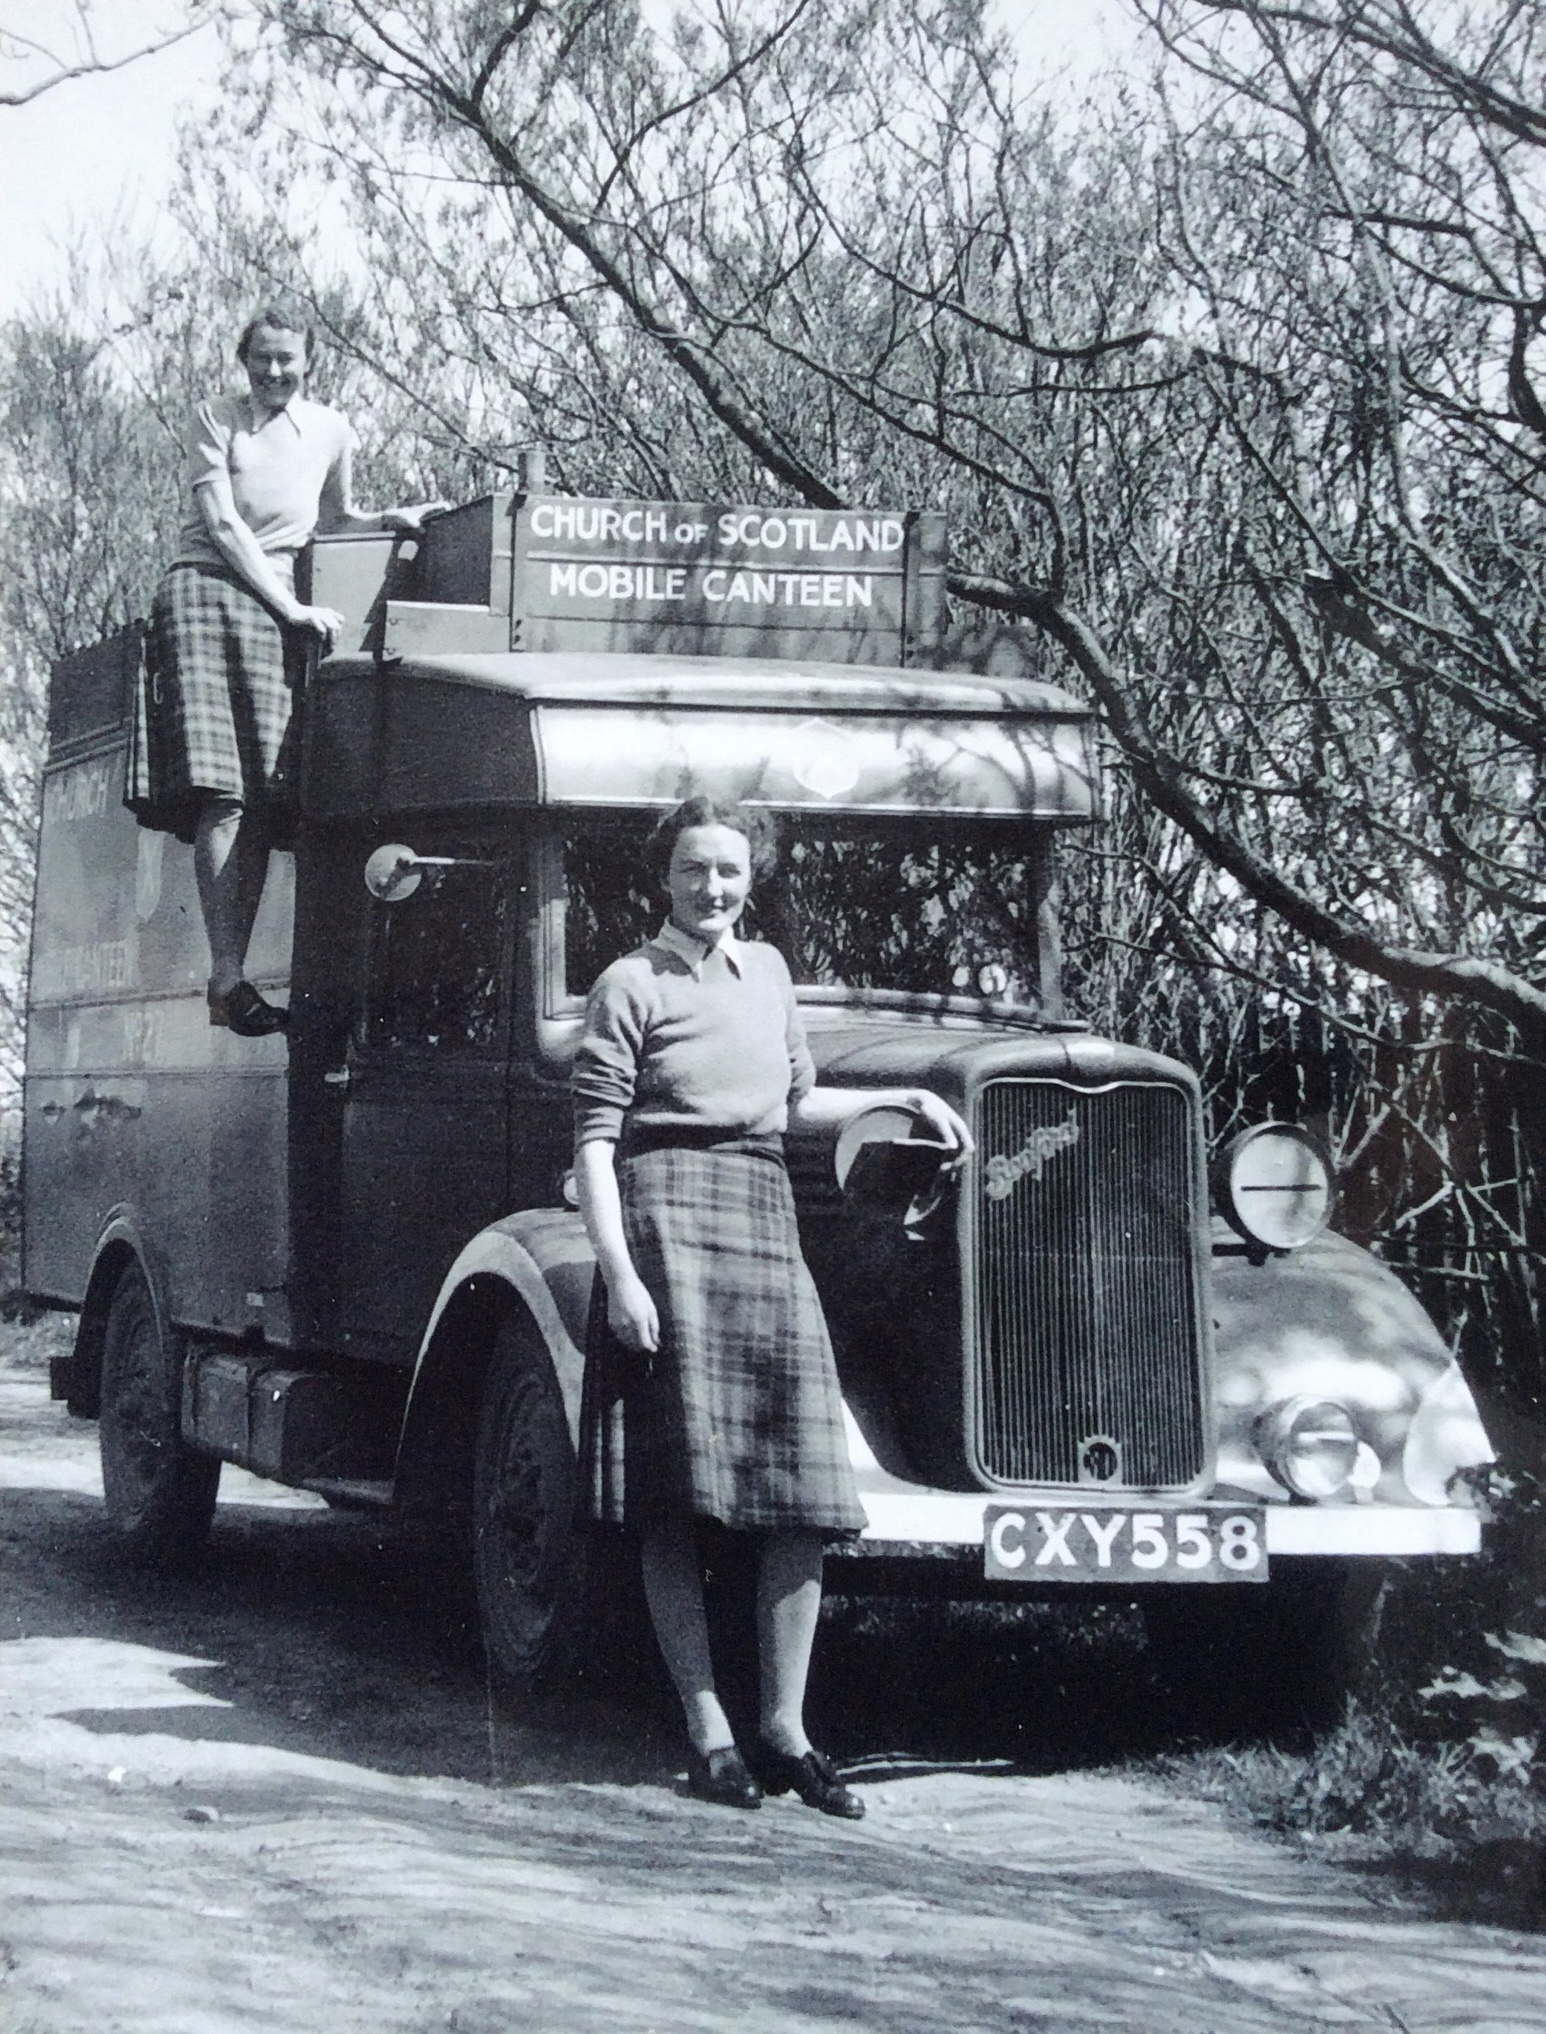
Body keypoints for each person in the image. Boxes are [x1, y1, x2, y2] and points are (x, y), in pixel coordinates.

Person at [572, 796, 973, 1816]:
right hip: (664, 1218)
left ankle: (786, 1731)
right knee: (676, 1499)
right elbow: (594, 1145)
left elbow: (795, 1104)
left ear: (752, 880)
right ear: (661, 876)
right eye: (695, 869)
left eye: (731, 872)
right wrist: (620, 1277)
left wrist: (910, 1108)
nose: (714, 888)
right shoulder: (628, 983)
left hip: (762, 1211)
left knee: (801, 1494)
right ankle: (707, 1730)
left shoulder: (772, 975)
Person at [128, 302, 445, 1036]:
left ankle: (228, 982)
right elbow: (224, 525)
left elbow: (332, 519)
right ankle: (229, 976)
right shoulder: (215, 418)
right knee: (223, 793)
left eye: (287, 360)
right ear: (245, 363)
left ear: (309, 364)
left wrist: (386, 521)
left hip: (278, 603)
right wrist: (292, 609)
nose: (275, 371)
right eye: (262, 358)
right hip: (209, 591)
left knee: (267, 799)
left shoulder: (332, 429)